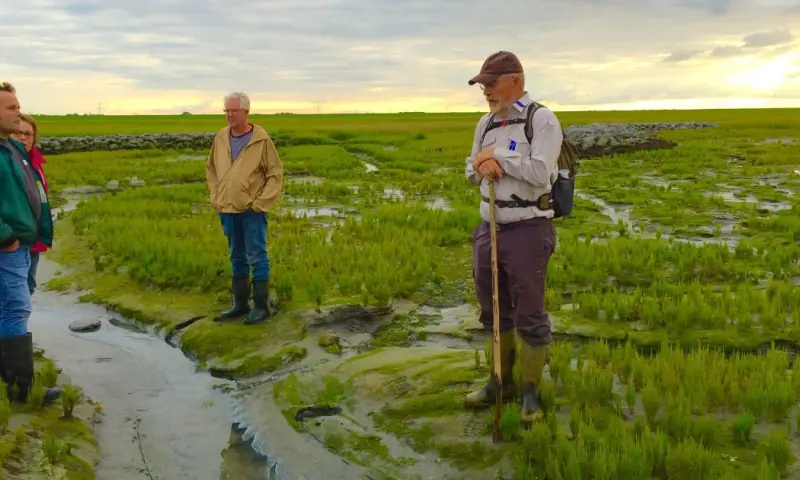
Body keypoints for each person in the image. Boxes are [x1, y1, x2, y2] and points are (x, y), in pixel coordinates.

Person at [462, 52, 563, 425]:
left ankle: (530, 392)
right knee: (493, 310)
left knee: (530, 314)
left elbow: (540, 172)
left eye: (491, 83)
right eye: (483, 84)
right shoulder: (485, 123)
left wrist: (498, 157)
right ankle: (497, 382)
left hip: (527, 228)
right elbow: (470, 169)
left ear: (515, 80)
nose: (485, 90)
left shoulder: (542, 120)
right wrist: (482, 164)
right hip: (489, 228)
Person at [0, 82, 60, 404]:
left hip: (21, 244)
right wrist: (5, 236)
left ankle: (11, 381)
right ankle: (21, 389)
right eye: (11, 108)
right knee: (16, 308)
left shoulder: (13, 148)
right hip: (8, 246)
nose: (18, 113)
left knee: (8, 307)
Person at [205, 92, 284, 325]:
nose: (229, 115)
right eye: (226, 111)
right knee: (235, 256)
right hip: (226, 209)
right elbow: (210, 169)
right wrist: (215, 196)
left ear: (246, 112)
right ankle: (239, 305)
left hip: (252, 212)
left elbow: (275, 174)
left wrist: (261, 204)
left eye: (233, 111)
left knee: (257, 256)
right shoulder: (220, 137)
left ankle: (260, 307)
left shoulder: (261, 140)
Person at [12, 113, 50, 296]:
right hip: (12, 242)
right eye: (17, 132)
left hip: (32, 239)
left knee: (27, 288)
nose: (23, 138)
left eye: (28, 134)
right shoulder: (7, 162)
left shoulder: (35, 163)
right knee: (14, 297)